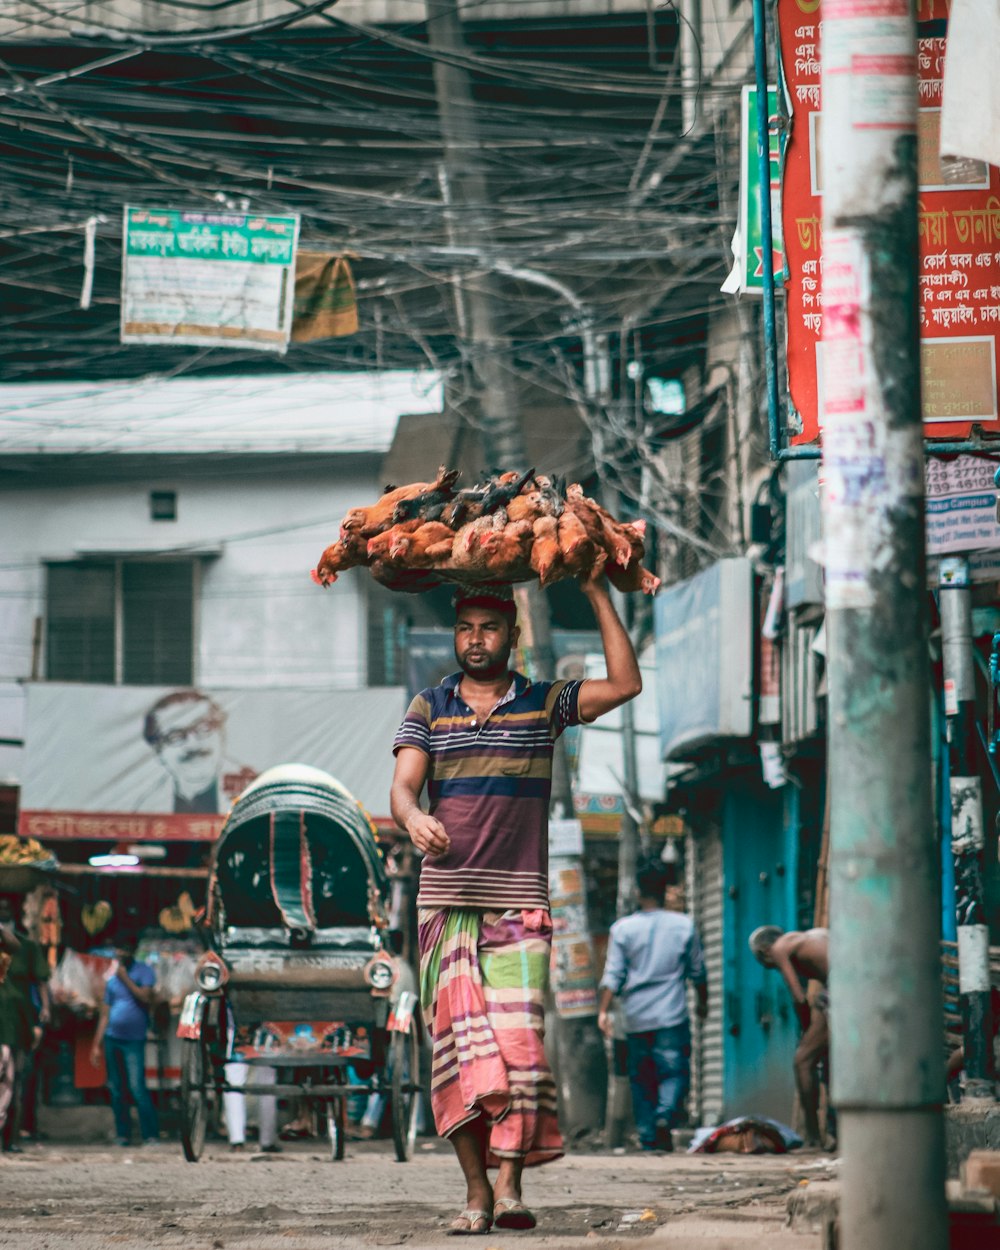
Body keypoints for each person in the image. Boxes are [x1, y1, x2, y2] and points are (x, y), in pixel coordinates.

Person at [391, 575, 641, 1235]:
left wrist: (595, 595)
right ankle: (476, 1192)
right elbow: (403, 787)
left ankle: (510, 1186)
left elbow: (624, 685)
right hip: (445, 906)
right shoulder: (429, 705)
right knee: (458, 1053)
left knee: (520, 1050)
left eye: (490, 628)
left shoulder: (543, 703)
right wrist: (414, 819)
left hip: (519, 908)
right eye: (466, 627)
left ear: (512, 634)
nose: (477, 640)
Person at [597, 861, 708, 1153]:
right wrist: (703, 1005)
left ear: (638, 892)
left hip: (635, 1017)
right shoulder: (684, 925)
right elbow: (698, 972)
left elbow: (613, 975)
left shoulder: (623, 929)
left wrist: (604, 1011)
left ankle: (648, 1136)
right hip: (672, 1015)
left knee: (642, 1077)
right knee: (674, 1072)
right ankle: (665, 1116)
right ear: (665, 891)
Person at [749, 925, 830, 1147]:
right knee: (828, 1060)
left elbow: (798, 997)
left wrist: (804, 1029)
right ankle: (834, 1131)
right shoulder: (813, 935)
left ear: (765, 951)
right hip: (851, 983)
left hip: (843, 986)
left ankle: (814, 1137)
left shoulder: (779, 948)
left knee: (803, 1061)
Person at [89, 933, 159, 1146]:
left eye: (125, 949)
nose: (120, 953)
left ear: (133, 951)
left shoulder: (144, 972)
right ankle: (123, 1134)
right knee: (116, 1089)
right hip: (112, 1038)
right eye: (118, 950)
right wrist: (95, 1044)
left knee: (137, 1087)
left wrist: (125, 979)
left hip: (134, 1039)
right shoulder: (111, 978)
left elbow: (145, 997)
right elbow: (105, 1013)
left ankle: (150, 1134)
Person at [0, 897, 50, 1153]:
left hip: (16, 1022)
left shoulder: (21, 947)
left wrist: (44, 1011)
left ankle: (9, 1137)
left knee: (13, 1079)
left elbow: (14, 945)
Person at [143, 690, 227, 813]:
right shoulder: (146, 807)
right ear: (158, 752)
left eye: (204, 728)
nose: (193, 744)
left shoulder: (250, 795)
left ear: (222, 736)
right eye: (175, 737)